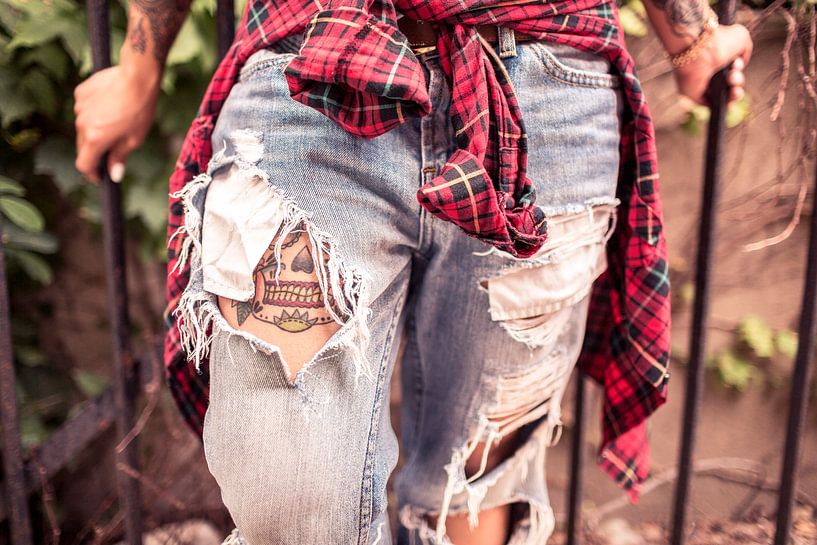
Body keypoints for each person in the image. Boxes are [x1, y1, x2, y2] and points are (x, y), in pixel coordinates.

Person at [74, 0, 751, 542]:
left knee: (476, 481)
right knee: (286, 493)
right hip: (310, 66)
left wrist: (689, 35)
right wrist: (139, 67)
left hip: (547, 91)